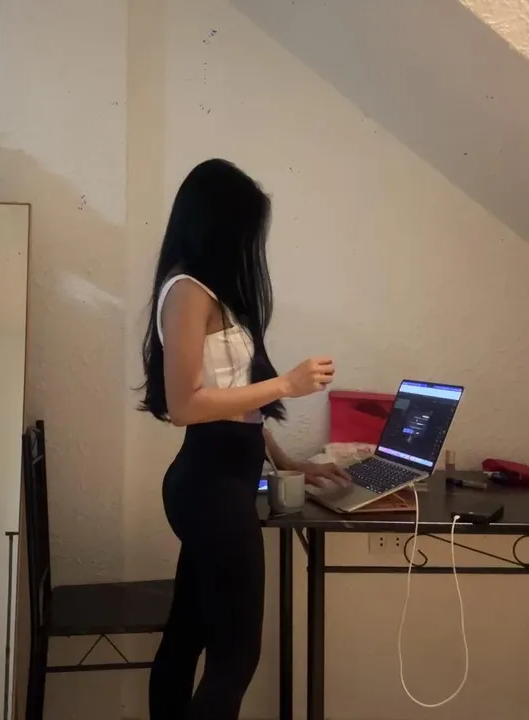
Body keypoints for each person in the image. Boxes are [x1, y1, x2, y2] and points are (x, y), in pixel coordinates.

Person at [139, 158, 351, 718]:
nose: (250, 244)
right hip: (208, 485)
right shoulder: (187, 293)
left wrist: (290, 463)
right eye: (244, 230)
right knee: (236, 658)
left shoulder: (212, 293)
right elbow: (186, 405)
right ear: (216, 225)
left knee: (188, 636)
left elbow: (239, 408)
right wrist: (287, 384)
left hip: (221, 480)